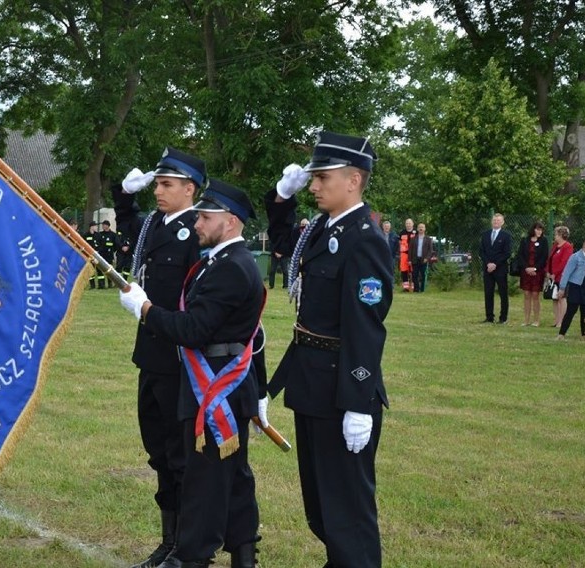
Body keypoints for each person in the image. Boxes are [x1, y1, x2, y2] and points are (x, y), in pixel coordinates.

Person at [119, 179, 265, 568]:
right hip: (217, 383)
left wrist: (145, 309)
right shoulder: (217, 261)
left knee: (206, 481)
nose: (197, 223)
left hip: (217, 387)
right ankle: (244, 555)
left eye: (205, 216)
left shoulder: (232, 267)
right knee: (231, 477)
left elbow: (193, 330)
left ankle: (190, 557)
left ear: (230, 222)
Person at [266, 131, 392, 567]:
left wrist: (358, 400)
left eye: (321, 177)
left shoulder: (364, 238)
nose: (313, 185)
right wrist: (283, 196)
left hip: (342, 393)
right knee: (321, 506)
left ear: (354, 179)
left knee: (348, 512)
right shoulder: (323, 228)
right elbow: (281, 243)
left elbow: (365, 326)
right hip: (313, 384)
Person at [112, 147, 205, 568]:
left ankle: (186, 548)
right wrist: (124, 193)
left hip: (180, 359)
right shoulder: (153, 224)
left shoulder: (197, 232)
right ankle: (168, 542)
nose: (158, 192)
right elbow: (127, 223)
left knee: (178, 453)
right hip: (150, 354)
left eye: (167, 185)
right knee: (157, 452)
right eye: (156, 184)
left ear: (190, 189)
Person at [480, 213, 513, 324]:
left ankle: (503, 318)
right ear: (491, 221)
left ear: (502, 222)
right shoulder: (485, 234)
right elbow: (481, 251)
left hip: (500, 269)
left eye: (498, 221)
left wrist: (495, 264)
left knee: (503, 293)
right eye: (494, 220)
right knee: (488, 293)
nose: (496, 222)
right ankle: (489, 317)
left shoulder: (506, 236)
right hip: (487, 269)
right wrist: (488, 263)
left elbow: (507, 253)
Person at [556, 238, 585, 340]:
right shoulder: (575, 257)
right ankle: (562, 333)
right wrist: (562, 288)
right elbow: (566, 273)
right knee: (571, 311)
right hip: (576, 287)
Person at [516, 222, 549, 326]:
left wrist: (534, 268)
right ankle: (526, 320)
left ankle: (536, 320)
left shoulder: (544, 241)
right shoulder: (525, 240)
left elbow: (544, 257)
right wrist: (526, 268)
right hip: (526, 271)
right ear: (533, 230)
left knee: (535, 295)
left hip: (537, 272)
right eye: (538, 229)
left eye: (541, 230)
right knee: (526, 294)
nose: (540, 231)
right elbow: (520, 255)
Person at [545, 226, 573, 328]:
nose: (555, 236)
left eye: (556, 234)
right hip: (552, 276)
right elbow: (550, 258)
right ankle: (556, 320)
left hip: (562, 277)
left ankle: (562, 322)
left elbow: (564, 262)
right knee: (554, 298)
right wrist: (548, 271)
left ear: (561, 235)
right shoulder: (555, 245)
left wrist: (555, 273)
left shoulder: (568, 246)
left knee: (562, 298)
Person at [407, 222, 434, 293]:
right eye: (419, 227)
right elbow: (410, 250)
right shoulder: (413, 239)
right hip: (415, 259)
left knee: (423, 276)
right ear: (417, 229)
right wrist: (409, 260)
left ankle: (422, 290)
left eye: (422, 227)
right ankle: (416, 289)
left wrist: (427, 258)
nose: (421, 228)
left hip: (424, 260)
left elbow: (430, 251)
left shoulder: (428, 239)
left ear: (425, 229)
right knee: (414, 275)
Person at [96, 220, 119, 289]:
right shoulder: (100, 234)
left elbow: (116, 245)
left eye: (104, 225)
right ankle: (101, 284)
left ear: (108, 226)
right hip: (101, 255)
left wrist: (112, 250)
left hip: (109, 255)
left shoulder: (113, 235)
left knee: (109, 270)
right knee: (99, 269)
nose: (103, 226)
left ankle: (110, 283)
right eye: (102, 225)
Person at [398, 218, 415, 291]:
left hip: (413, 254)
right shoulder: (402, 232)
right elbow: (399, 243)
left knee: (413, 271)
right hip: (404, 254)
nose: (408, 225)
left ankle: (414, 286)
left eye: (409, 223)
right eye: (407, 223)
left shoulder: (416, 232)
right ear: (405, 224)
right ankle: (406, 288)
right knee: (404, 271)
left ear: (413, 224)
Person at [83, 222, 100, 289]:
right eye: (95, 226)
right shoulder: (86, 235)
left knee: (99, 270)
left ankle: (101, 285)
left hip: (97, 255)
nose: (96, 228)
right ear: (91, 227)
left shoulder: (98, 235)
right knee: (90, 270)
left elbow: (101, 244)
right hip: (89, 255)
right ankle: (92, 285)